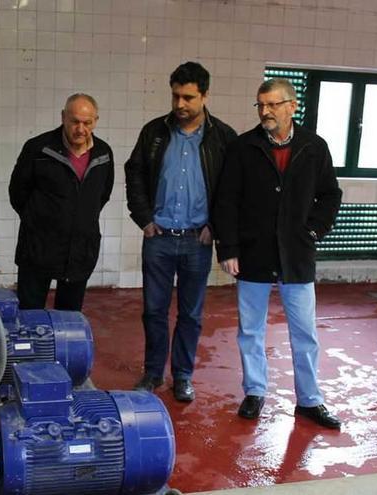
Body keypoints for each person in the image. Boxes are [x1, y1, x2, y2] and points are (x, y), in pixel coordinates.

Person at [212, 78, 343, 428]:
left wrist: (313, 229)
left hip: (296, 256)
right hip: (253, 254)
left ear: (292, 106)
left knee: (305, 333)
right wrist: (228, 247)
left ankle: (310, 400)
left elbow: (330, 195)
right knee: (250, 330)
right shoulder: (243, 148)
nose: (265, 111)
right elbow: (225, 201)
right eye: (260, 105)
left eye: (272, 105)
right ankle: (255, 392)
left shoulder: (314, 147)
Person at [125, 62, 236, 402]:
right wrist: (144, 218)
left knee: (190, 314)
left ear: (205, 95)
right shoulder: (154, 132)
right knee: (154, 310)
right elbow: (135, 175)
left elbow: (232, 190)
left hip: (196, 242)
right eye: (175, 96)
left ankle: (183, 376)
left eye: (188, 97)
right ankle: (154, 372)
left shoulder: (223, 137)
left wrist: (215, 228)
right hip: (158, 238)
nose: (180, 105)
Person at [9, 93, 114, 311]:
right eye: (75, 121)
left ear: (96, 121)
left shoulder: (104, 153)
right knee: (30, 315)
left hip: (80, 250)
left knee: (70, 320)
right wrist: (39, 221)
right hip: (38, 247)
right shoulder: (38, 149)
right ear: (63, 117)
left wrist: (80, 219)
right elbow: (18, 193)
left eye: (87, 123)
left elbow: (102, 195)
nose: (81, 129)